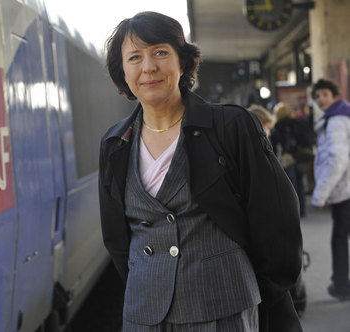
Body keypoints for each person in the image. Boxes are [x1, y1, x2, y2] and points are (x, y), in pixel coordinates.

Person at [99, 11, 302, 332]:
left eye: (160, 52)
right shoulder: (115, 143)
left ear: (183, 62)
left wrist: (257, 292)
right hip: (145, 311)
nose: (148, 66)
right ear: (123, 72)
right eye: (134, 57)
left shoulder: (230, 127)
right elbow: (117, 239)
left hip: (224, 306)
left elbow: (277, 220)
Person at [311, 78, 350, 300]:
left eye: (325, 94)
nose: (320, 100)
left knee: (339, 239)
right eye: (317, 96)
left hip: (344, 191)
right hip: (345, 189)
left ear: (335, 95)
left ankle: (342, 285)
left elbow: (336, 160)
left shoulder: (335, 121)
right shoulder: (341, 116)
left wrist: (321, 194)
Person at [270, 102, 314, 217]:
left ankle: (295, 210)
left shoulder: (278, 126)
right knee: (300, 183)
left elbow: (274, 146)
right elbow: (307, 139)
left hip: (287, 159)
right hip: (301, 157)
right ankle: (303, 210)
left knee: (292, 185)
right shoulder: (298, 123)